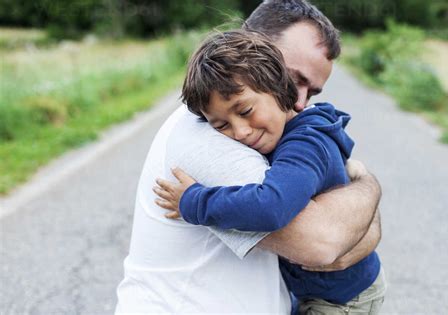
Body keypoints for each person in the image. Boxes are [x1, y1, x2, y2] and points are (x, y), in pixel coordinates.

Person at [115, 0, 383, 313]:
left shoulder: (288, 133)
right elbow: (322, 242)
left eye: (311, 92)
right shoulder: (209, 138)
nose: (299, 103)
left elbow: (337, 235)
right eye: (293, 78)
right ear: (255, 52)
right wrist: (364, 187)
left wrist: (367, 190)